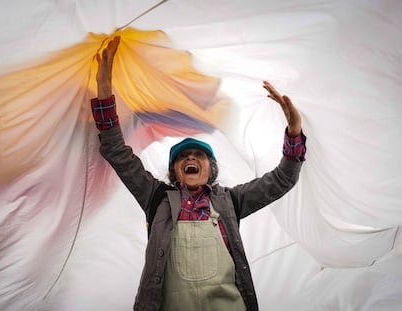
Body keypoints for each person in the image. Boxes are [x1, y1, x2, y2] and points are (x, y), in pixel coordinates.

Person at [90, 36, 306, 311]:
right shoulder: (156, 198)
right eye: (181, 156)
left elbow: (282, 180)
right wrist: (105, 92)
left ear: (210, 169)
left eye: (198, 155)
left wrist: (294, 131)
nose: (190, 157)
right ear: (175, 172)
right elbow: (116, 151)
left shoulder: (229, 201)